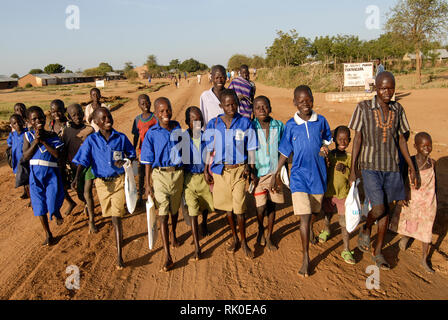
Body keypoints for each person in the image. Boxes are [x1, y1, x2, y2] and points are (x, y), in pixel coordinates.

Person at [349, 71, 417, 270]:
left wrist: (411, 166)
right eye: (383, 88)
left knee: (385, 209)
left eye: (390, 88)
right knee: (378, 208)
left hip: (392, 167)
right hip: (369, 166)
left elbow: (402, 139)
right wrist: (354, 168)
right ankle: (366, 227)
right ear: (376, 88)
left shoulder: (398, 109)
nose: (387, 92)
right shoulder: (363, 107)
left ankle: (378, 251)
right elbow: (358, 139)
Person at [272, 85, 332, 277]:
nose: (305, 103)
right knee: (304, 217)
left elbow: (327, 141)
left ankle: (311, 229)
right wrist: (276, 174)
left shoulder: (321, 121)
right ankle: (306, 258)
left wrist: (325, 149)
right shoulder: (290, 125)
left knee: (315, 212)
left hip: (318, 176)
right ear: (295, 103)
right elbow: (284, 151)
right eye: (301, 101)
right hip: (298, 176)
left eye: (308, 99)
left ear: (313, 99)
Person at [72, 107, 136, 269]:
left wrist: (125, 161)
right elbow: (83, 160)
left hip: (119, 181)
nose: (107, 120)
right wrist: (76, 178)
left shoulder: (120, 138)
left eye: (109, 116)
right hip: (101, 184)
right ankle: (118, 235)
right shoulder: (91, 140)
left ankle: (119, 255)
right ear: (97, 122)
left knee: (116, 217)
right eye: (103, 118)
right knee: (109, 214)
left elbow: (132, 154)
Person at [204, 89, 258, 259]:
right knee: (228, 209)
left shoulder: (245, 123)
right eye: (227, 104)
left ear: (238, 103)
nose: (231, 107)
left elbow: (251, 148)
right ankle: (234, 237)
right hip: (221, 171)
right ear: (221, 105)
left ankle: (244, 242)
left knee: (240, 209)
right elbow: (208, 149)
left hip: (240, 170)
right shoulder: (214, 124)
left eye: (234, 103)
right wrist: (206, 169)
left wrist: (250, 167)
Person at [141, 97, 184, 272]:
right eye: (161, 111)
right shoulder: (152, 133)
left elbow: (184, 151)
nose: (165, 114)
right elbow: (147, 160)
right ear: (156, 113)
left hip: (178, 174)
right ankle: (167, 255)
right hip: (159, 175)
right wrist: (147, 183)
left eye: (168, 110)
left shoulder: (178, 128)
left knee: (174, 210)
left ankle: (174, 233)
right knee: (163, 213)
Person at [390, 132, 437, 273]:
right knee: (409, 221)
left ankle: (424, 259)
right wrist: (400, 195)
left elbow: (435, 183)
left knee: (426, 229)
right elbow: (400, 178)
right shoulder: (409, 162)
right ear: (415, 146)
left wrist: (436, 199)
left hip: (427, 203)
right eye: (423, 146)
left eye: (429, 146)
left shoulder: (432, 163)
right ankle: (406, 236)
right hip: (411, 199)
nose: (427, 149)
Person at [22, 106, 65, 246]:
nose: (38, 120)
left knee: (53, 199)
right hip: (35, 175)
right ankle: (48, 233)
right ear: (29, 122)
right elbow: (25, 156)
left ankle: (56, 211)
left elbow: (57, 155)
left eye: (40, 117)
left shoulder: (52, 136)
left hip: (51, 173)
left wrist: (44, 142)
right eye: (34, 119)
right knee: (39, 204)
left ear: (45, 118)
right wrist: (36, 141)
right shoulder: (28, 136)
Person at [252, 96, 285, 251]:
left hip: (274, 173)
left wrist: (281, 171)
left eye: (265, 107)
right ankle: (260, 230)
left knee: (272, 206)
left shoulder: (278, 126)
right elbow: (246, 150)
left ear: (270, 108)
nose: (261, 110)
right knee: (260, 207)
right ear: (253, 111)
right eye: (258, 108)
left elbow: (285, 149)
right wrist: (250, 170)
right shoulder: (251, 127)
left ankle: (269, 235)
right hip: (258, 174)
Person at [319, 126, 356, 265]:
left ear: (350, 141)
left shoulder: (350, 157)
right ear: (334, 140)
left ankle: (346, 249)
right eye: (339, 138)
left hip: (343, 195)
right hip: (329, 192)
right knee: (327, 213)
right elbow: (321, 164)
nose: (343, 141)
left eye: (346, 139)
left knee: (344, 222)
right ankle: (326, 228)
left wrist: (346, 169)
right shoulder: (329, 155)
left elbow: (353, 175)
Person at [182, 106, 214, 260]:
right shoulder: (182, 138)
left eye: (199, 119)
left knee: (206, 203)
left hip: (203, 176)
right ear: (187, 122)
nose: (197, 122)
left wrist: (207, 170)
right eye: (193, 120)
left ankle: (205, 223)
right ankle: (197, 245)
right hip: (189, 178)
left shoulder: (206, 136)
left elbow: (209, 154)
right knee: (193, 210)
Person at [62, 103, 96, 233]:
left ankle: (92, 221)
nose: (77, 117)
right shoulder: (66, 132)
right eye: (73, 115)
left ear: (83, 114)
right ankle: (86, 204)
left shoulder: (90, 130)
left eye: (79, 114)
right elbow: (65, 150)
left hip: (88, 166)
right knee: (80, 193)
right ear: (69, 117)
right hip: (74, 167)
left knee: (87, 192)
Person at [49, 99, 77, 215]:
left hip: (70, 159)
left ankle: (86, 202)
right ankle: (70, 202)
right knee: (60, 185)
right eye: (53, 111)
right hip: (57, 160)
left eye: (59, 111)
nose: (56, 114)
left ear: (64, 110)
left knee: (75, 184)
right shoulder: (50, 125)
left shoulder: (70, 124)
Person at [131, 94, 157, 205]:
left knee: (155, 172)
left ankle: (156, 193)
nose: (145, 105)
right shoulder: (137, 119)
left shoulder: (156, 118)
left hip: (155, 150)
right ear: (139, 105)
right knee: (141, 173)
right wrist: (133, 150)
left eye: (147, 102)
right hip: (143, 151)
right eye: (142, 103)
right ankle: (140, 195)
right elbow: (136, 136)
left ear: (150, 103)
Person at [7, 114, 30, 200]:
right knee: (21, 177)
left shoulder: (27, 132)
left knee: (28, 179)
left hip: (26, 160)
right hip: (17, 160)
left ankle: (32, 197)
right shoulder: (13, 135)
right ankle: (26, 192)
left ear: (23, 122)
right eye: (14, 123)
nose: (17, 125)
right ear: (12, 125)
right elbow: (9, 144)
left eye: (19, 122)